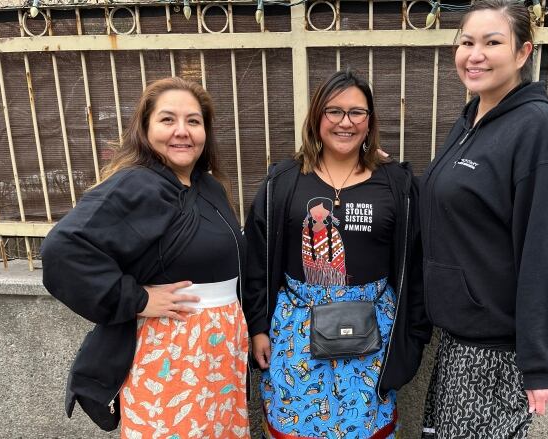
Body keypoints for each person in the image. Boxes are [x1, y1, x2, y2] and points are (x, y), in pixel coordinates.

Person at [41, 77, 250, 438]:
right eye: (168, 120)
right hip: (170, 352)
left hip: (219, 353)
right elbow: (62, 250)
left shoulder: (208, 186)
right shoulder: (135, 184)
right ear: (146, 128)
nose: (182, 132)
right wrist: (137, 298)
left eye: (193, 121)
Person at [419, 1, 548, 437]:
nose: (476, 55)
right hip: (456, 342)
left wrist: (540, 363)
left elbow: (545, 249)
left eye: (493, 42)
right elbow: (447, 197)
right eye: (467, 42)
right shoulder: (473, 118)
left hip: (494, 354)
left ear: (523, 53)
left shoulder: (539, 132)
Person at [244, 69, 430, 438]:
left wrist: (413, 334)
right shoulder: (283, 181)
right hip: (295, 333)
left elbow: (418, 261)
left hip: (373, 336)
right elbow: (256, 258)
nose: (345, 122)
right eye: (334, 111)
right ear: (317, 117)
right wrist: (258, 327)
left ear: (370, 120)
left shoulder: (397, 183)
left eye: (357, 112)